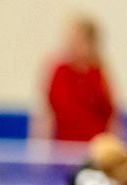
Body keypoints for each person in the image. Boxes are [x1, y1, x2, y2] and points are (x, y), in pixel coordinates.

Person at [36, 14, 120, 143]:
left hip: (94, 149)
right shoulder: (59, 72)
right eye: (70, 40)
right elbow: (47, 115)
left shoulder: (99, 75)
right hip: (63, 150)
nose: (72, 45)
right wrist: (39, 147)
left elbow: (113, 118)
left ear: (91, 43)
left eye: (78, 41)